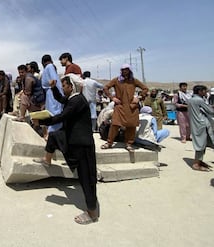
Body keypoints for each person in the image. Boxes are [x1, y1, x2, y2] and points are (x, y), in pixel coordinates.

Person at [34, 76, 98, 225]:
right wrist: (54, 88)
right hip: (73, 139)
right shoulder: (73, 99)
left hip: (82, 145)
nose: (63, 88)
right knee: (54, 136)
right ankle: (47, 160)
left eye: (64, 86)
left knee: (87, 179)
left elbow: (62, 116)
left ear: (72, 86)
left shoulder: (77, 101)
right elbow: (61, 100)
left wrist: (42, 121)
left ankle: (92, 213)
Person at [101, 64, 148, 152]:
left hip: (131, 106)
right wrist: (112, 98)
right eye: (122, 70)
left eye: (126, 69)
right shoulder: (116, 80)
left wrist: (139, 97)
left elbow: (145, 89)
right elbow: (106, 88)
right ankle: (109, 142)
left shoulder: (133, 81)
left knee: (131, 126)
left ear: (129, 70)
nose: (124, 71)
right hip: (120, 106)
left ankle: (129, 144)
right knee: (115, 124)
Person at [188, 85, 214, 172]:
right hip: (202, 124)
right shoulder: (199, 100)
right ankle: (196, 164)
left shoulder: (191, 99)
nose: (206, 93)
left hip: (196, 124)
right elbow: (211, 111)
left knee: (202, 143)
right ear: (199, 92)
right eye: (204, 91)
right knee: (201, 144)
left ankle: (200, 161)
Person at [41, 54, 63, 133]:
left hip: (53, 92)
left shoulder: (49, 66)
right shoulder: (50, 67)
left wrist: (55, 91)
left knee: (54, 113)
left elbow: (53, 80)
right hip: (51, 92)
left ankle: (53, 132)